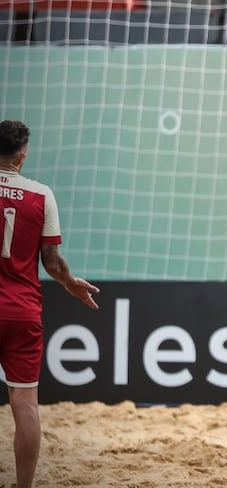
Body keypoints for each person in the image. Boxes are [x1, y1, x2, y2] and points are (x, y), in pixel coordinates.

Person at [0, 119, 100, 488]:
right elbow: (52, 261)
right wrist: (70, 283)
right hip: (22, 310)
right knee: (25, 406)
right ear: (23, 156)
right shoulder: (41, 195)